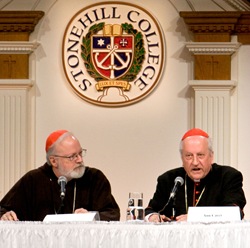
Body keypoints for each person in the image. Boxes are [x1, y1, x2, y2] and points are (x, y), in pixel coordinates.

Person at [0, 130, 120, 221]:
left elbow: (112, 214)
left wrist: (91, 217)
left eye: (80, 153)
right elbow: (3, 209)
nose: (79, 160)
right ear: (53, 161)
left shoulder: (94, 178)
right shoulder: (33, 180)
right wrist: (5, 216)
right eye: (72, 156)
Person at [145, 128, 246, 222]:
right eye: (188, 156)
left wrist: (195, 217)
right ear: (182, 158)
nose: (195, 162)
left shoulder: (228, 176)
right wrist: (152, 216)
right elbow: (150, 210)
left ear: (211, 156)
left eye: (200, 155)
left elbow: (235, 213)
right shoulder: (168, 179)